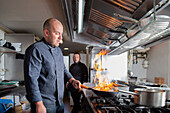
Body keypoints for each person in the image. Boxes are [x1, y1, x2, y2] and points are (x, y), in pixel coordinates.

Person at [24, 18, 81, 113]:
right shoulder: (35, 50)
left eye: (61, 34)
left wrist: (72, 80)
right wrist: (39, 104)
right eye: (57, 33)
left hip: (59, 102)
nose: (60, 38)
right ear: (46, 33)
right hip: (44, 104)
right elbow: (31, 79)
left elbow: (63, 69)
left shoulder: (58, 51)